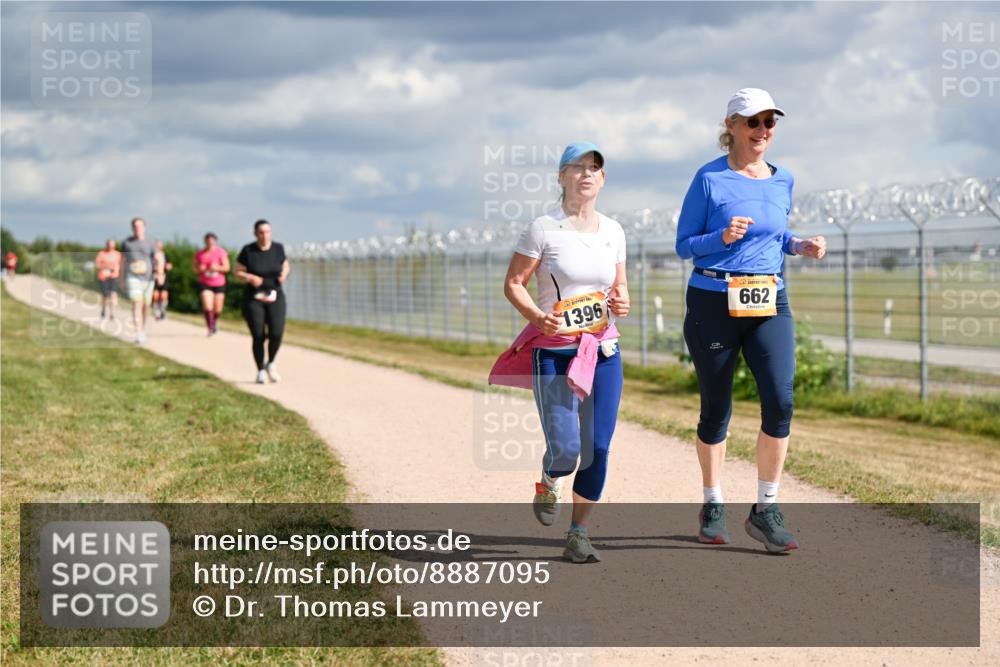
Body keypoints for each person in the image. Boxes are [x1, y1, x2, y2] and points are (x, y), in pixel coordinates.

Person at [675, 88, 827, 552]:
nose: (762, 130)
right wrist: (720, 237)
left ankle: (766, 509)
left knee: (780, 400)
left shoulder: (783, 180)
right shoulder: (709, 178)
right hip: (713, 300)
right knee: (716, 408)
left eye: (769, 122)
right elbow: (684, 245)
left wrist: (799, 245)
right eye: (753, 121)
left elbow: (775, 236)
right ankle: (712, 503)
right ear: (732, 126)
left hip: (768, 299)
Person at [491, 142, 629, 563]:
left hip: (602, 350)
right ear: (561, 176)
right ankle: (551, 478)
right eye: (578, 167)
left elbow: (619, 287)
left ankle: (579, 533)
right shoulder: (543, 228)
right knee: (567, 448)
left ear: (603, 179)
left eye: (594, 168)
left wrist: (622, 301)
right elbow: (514, 283)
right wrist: (538, 317)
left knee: (598, 447)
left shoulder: (614, 231)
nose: (586, 174)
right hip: (554, 351)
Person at [235, 220, 289, 383]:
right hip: (254, 297)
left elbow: (285, 265)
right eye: (261, 232)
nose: (265, 235)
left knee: (276, 333)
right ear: (255, 234)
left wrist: (284, 274)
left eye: (267, 232)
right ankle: (260, 370)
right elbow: (237, 272)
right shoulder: (248, 250)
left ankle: (271, 362)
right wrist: (250, 277)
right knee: (258, 335)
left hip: (275, 294)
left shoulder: (278, 248)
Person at [119, 217, 159, 345]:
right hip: (132, 277)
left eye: (140, 226)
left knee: (145, 306)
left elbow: (158, 258)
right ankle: (139, 332)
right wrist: (121, 279)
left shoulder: (151, 241)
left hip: (148, 278)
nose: (138, 228)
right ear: (132, 228)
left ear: (144, 227)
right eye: (135, 226)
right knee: (137, 303)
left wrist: (160, 272)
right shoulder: (126, 243)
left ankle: (142, 328)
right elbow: (122, 261)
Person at [194, 233, 230, 336]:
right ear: (205, 241)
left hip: (219, 283)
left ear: (215, 242)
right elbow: (194, 269)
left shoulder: (221, 252)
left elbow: (227, 268)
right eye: (208, 241)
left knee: (218, 309)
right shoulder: (199, 254)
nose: (210, 243)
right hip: (205, 282)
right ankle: (210, 327)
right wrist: (200, 269)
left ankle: (214, 321)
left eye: (212, 241)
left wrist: (217, 268)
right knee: (207, 306)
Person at [95, 240, 121, 319]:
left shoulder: (117, 254)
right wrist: (106, 267)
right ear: (106, 245)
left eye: (112, 245)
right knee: (105, 295)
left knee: (113, 294)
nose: (110, 247)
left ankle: (112, 313)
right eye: (109, 245)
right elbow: (97, 265)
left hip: (114, 276)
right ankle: (103, 309)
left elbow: (120, 264)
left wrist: (115, 269)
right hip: (103, 276)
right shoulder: (101, 253)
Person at [152, 240, 173, 321]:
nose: (158, 246)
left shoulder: (165, 255)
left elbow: (170, 265)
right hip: (154, 276)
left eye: (159, 245)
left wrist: (167, 266)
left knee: (164, 295)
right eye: (157, 245)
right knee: (155, 295)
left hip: (163, 276)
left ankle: (162, 311)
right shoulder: (152, 255)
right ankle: (156, 311)